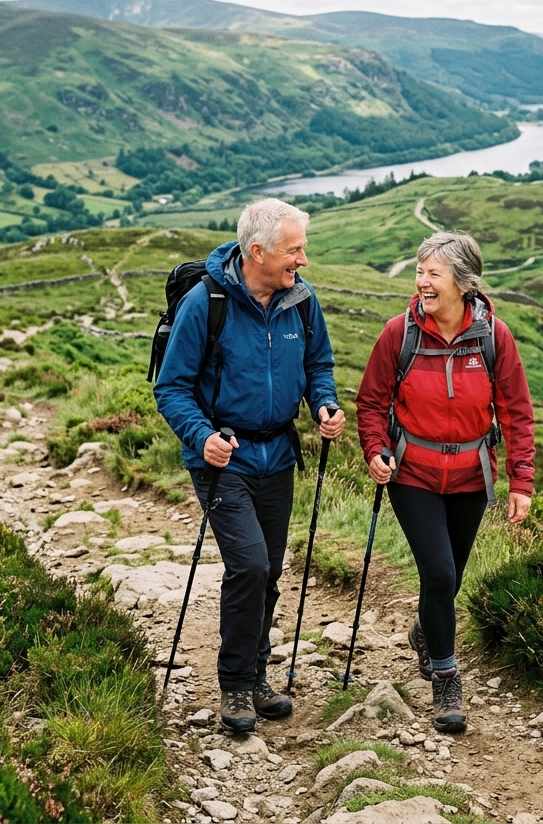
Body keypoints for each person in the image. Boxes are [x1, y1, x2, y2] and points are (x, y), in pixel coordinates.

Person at [155, 198, 345, 732]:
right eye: (294, 250)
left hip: (279, 455)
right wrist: (202, 437)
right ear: (257, 251)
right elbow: (170, 388)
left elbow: (317, 364)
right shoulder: (204, 303)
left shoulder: (301, 301)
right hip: (225, 459)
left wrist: (323, 404)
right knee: (250, 566)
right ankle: (235, 686)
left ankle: (257, 673)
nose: (303, 260)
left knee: (269, 572)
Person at [356, 231, 534, 732]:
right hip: (412, 474)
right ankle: (445, 677)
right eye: (419, 273)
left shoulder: (494, 337)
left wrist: (521, 481)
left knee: (449, 578)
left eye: (433, 274)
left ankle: (425, 631)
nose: (422, 283)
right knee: (438, 575)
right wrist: (376, 450)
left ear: (464, 282)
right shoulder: (400, 333)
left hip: (471, 478)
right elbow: (371, 402)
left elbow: (517, 413)